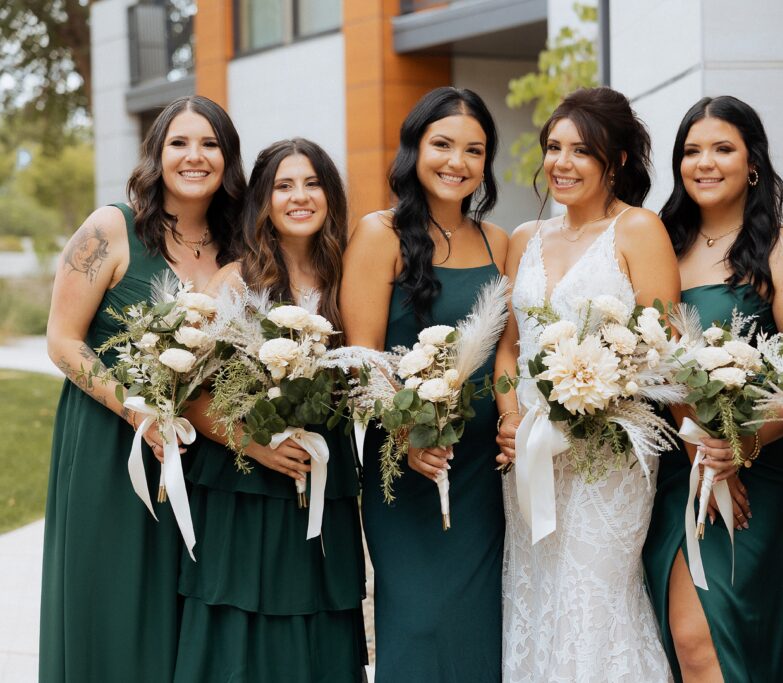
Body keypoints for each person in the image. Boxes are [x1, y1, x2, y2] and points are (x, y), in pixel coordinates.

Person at [40, 95, 245, 681]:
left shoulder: (241, 248)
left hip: (204, 457)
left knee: (184, 618)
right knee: (112, 603)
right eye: (179, 142)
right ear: (156, 153)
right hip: (111, 444)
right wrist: (139, 413)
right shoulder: (112, 228)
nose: (194, 156)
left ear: (228, 158)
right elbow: (62, 340)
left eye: (210, 144)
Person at [493, 86, 679, 682]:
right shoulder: (524, 237)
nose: (561, 163)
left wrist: (592, 403)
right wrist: (510, 418)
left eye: (581, 151)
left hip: (608, 456)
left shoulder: (638, 229)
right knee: (537, 594)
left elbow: (663, 345)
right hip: (528, 453)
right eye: (554, 147)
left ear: (616, 160)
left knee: (593, 601)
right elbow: (510, 346)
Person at [174, 138, 366, 682]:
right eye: (284, 186)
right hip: (246, 487)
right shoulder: (236, 281)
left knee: (319, 626)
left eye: (312, 184)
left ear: (330, 196)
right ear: (263, 201)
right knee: (242, 633)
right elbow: (188, 393)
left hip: (323, 480)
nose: (299, 196)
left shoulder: (347, 280)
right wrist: (254, 444)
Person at [642, 95, 783, 683]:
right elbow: (652, 357)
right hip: (672, 464)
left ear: (752, 162)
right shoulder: (660, 242)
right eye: (692, 151)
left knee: (712, 632)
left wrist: (736, 451)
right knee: (682, 637)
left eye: (722, 149)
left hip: (755, 465)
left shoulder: (781, 249)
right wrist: (701, 453)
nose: (705, 163)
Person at [341, 86, 508, 682]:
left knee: (477, 626)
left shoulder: (498, 242)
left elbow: (507, 352)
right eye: (442, 144)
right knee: (420, 623)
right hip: (405, 467)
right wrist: (409, 436)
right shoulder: (378, 234)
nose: (457, 162)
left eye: (474, 150)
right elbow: (361, 359)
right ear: (415, 148)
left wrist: (513, 418)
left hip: (481, 474)